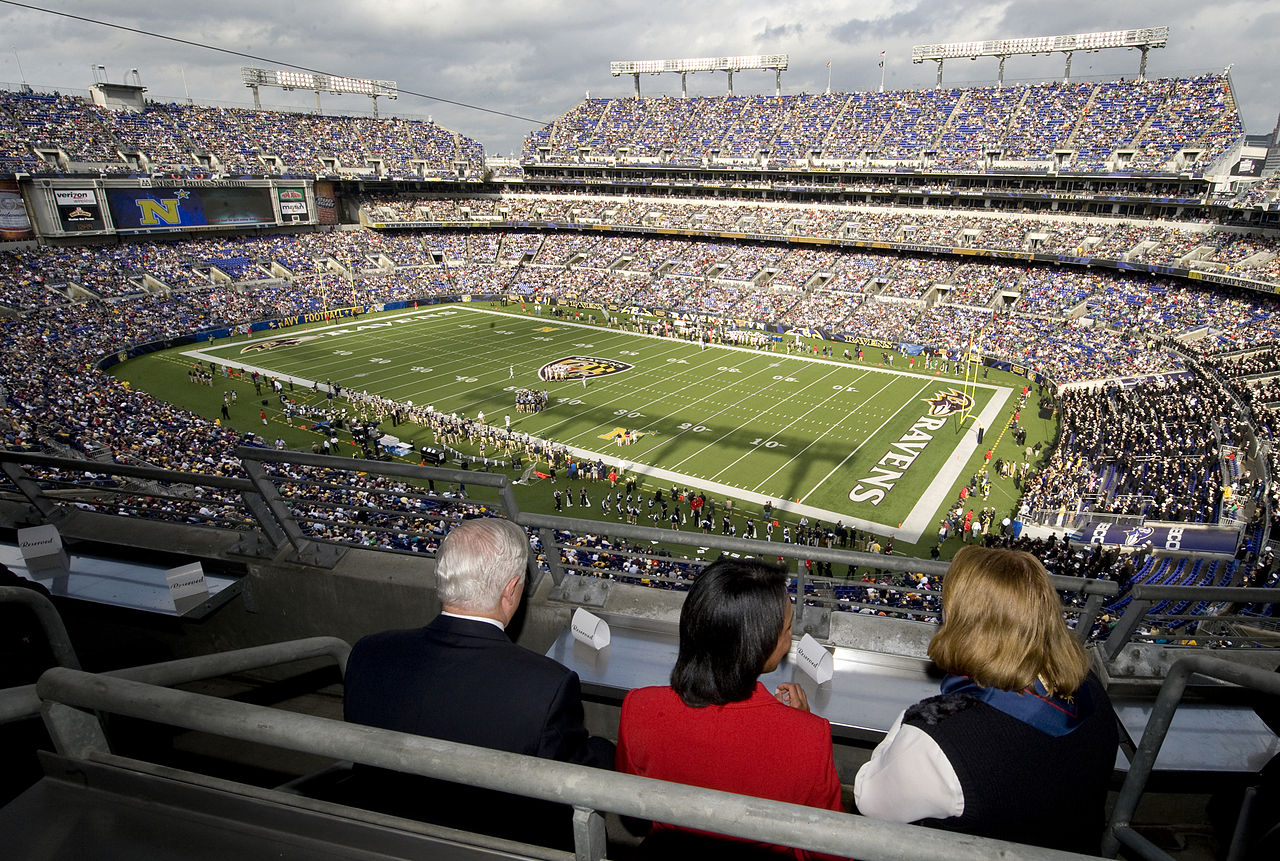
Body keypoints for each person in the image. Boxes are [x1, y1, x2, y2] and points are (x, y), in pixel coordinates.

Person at [343, 518, 614, 844]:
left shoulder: (368, 654)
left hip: (381, 837)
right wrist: (607, 749)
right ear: (512, 590)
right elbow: (572, 780)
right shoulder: (546, 687)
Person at [854, 546, 1118, 855]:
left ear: (963, 622)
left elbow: (869, 799)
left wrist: (914, 718)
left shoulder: (939, 740)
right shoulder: (1092, 691)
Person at [616, 557, 842, 859]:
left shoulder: (639, 707)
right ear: (756, 645)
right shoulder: (810, 738)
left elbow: (632, 812)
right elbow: (829, 851)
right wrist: (796, 725)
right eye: (787, 629)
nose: (791, 637)